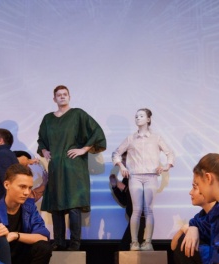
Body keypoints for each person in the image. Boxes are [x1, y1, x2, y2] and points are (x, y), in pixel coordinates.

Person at [37, 85, 107, 251]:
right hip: (56, 167)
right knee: (57, 205)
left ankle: (75, 243)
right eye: (59, 95)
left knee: (74, 205)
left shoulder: (78, 114)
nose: (62, 97)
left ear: (69, 97)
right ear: (54, 99)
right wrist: (44, 150)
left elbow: (97, 133)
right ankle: (59, 241)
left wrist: (83, 149)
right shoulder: (48, 119)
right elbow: (41, 139)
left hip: (74, 168)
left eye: (65, 94)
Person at [112, 108, 174, 250]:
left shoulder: (156, 138)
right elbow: (116, 153)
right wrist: (121, 166)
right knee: (136, 210)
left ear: (148, 119)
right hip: (135, 176)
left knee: (148, 210)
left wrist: (166, 167)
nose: (138, 118)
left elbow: (170, 153)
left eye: (141, 116)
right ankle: (134, 242)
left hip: (151, 176)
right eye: (136, 116)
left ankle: (148, 242)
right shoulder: (130, 138)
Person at [170, 182, 215, 264]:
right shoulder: (199, 217)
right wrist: (185, 228)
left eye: (194, 188)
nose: (190, 192)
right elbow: (173, 246)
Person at [109, 160, 145, 251]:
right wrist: (115, 187)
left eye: (125, 160)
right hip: (133, 219)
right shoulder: (127, 178)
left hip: (141, 218)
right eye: (123, 161)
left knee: (126, 248)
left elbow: (141, 195)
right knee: (126, 248)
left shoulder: (141, 176)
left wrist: (125, 188)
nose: (123, 164)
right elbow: (124, 201)